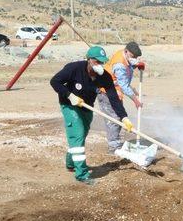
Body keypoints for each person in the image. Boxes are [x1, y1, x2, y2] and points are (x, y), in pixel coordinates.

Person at [50, 45, 133, 185]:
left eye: (102, 62)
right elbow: (55, 82)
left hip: (87, 107)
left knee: (80, 136)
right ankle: (81, 174)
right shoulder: (74, 68)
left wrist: (124, 117)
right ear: (89, 60)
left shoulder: (104, 77)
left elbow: (113, 98)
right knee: (77, 134)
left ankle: (71, 164)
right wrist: (69, 95)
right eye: (97, 61)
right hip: (70, 105)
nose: (100, 65)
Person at [97, 41, 145, 153]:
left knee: (119, 116)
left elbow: (128, 65)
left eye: (137, 57)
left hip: (115, 91)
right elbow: (123, 85)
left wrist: (136, 64)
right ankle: (113, 148)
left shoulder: (123, 55)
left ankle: (116, 144)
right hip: (106, 93)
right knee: (114, 119)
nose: (135, 58)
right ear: (126, 51)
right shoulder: (119, 64)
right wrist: (135, 100)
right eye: (133, 56)